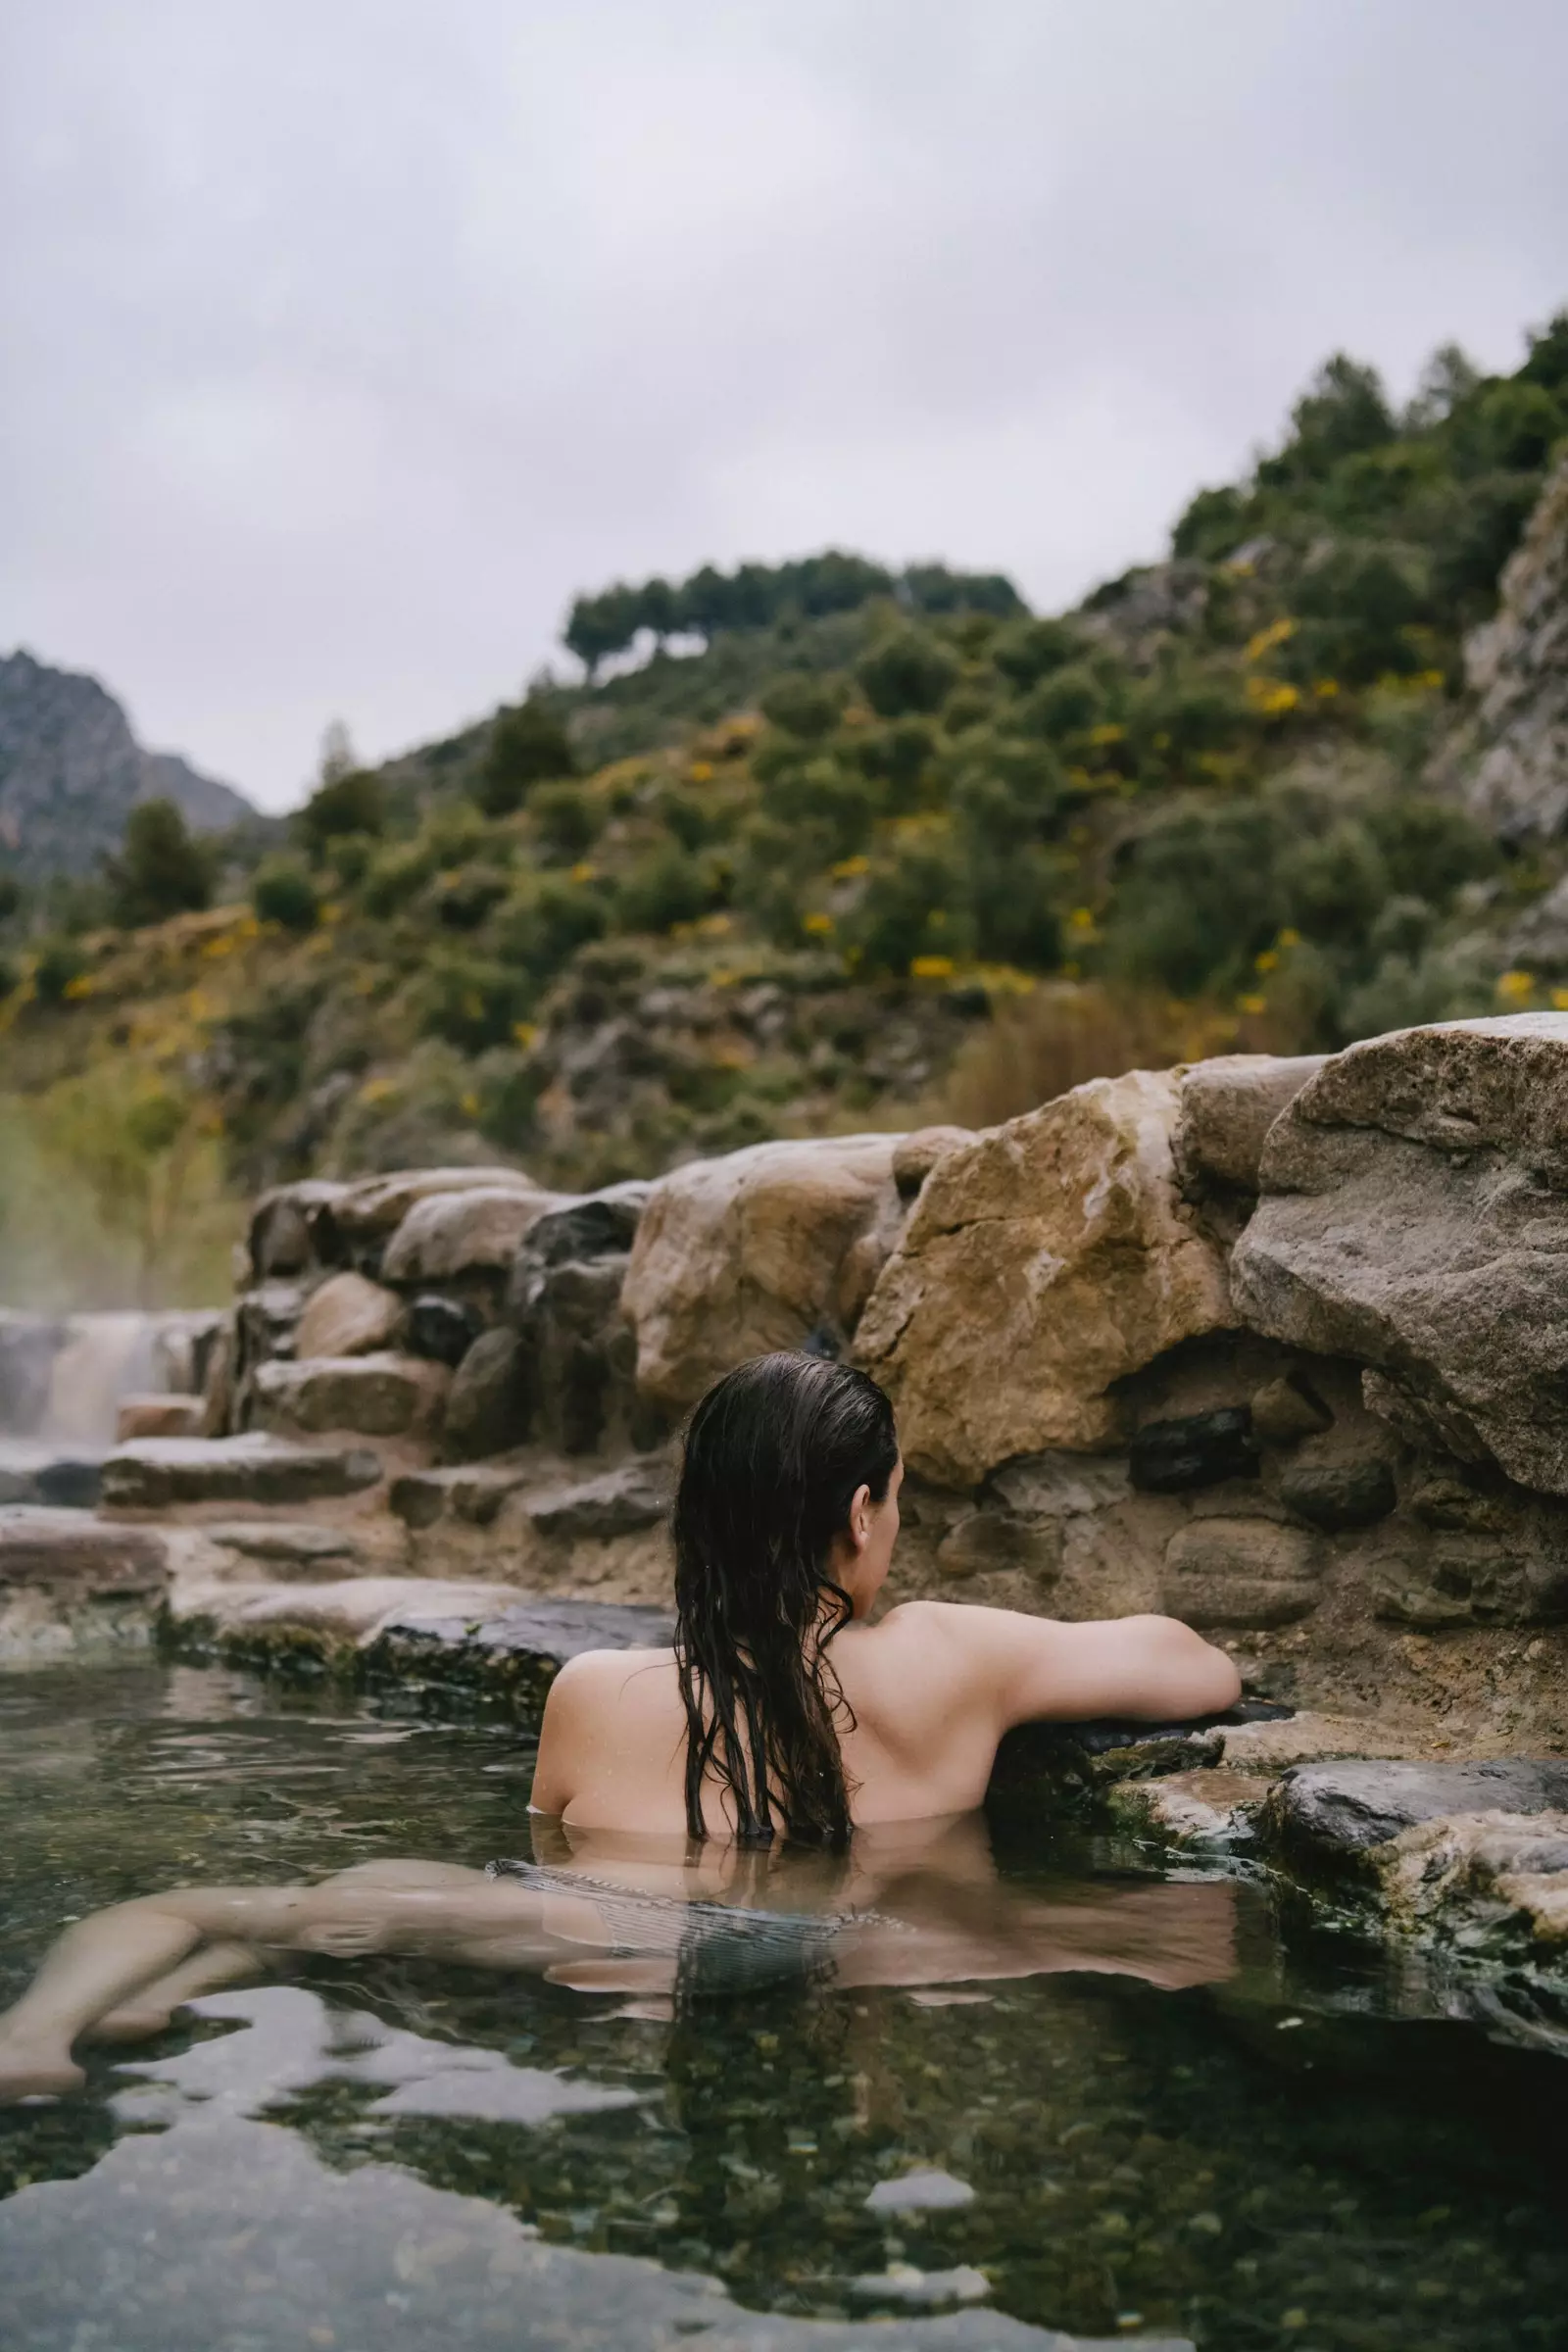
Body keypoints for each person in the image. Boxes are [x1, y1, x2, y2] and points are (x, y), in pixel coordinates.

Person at [0, 1351, 1241, 2101]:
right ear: (862, 1516)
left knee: (245, 1904)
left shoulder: (597, 1687)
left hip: (616, 1950)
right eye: (895, 1507)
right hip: (876, 1947)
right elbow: (1199, 1673)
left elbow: (549, 1844)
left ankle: (44, 2031)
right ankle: (206, 1976)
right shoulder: (954, 1659)